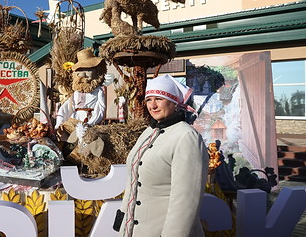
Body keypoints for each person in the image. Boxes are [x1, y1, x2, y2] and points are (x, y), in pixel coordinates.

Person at [114, 74, 209, 237]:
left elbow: (185, 201)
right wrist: (121, 222)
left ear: (173, 103)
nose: (153, 105)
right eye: (149, 99)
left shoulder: (186, 137)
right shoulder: (148, 132)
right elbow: (132, 183)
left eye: (159, 99)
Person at [55, 48, 107, 141]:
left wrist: (91, 123)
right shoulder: (76, 93)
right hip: (74, 123)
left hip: (89, 122)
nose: (82, 75)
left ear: (97, 71)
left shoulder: (99, 91)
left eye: (88, 70)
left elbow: (101, 108)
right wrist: (59, 123)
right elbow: (66, 108)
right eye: (79, 71)